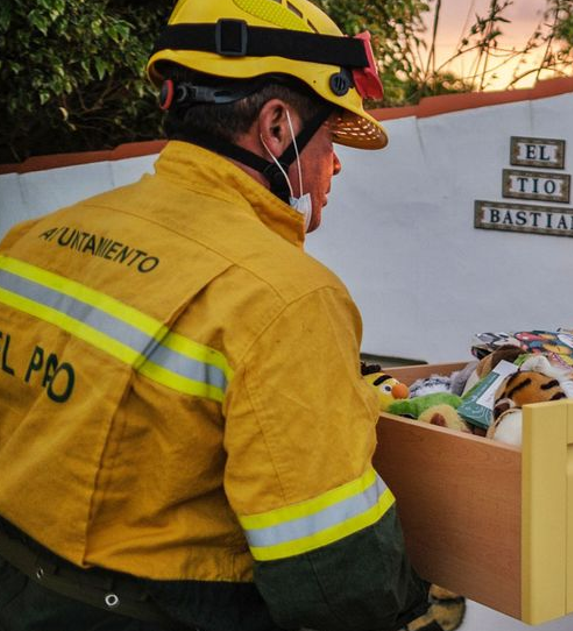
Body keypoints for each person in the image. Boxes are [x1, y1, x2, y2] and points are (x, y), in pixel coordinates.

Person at [0, 1, 433, 629]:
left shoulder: (32, 238)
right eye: (333, 138)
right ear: (278, 127)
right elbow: (332, 577)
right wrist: (417, 610)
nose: (335, 163)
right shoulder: (287, 298)